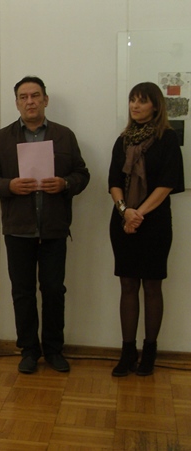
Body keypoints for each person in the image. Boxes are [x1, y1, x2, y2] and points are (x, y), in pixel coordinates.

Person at [0, 76, 89, 375]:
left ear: (45, 100)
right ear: (16, 103)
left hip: (54, 228)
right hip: (18, 229)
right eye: (24, 97)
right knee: (22, 292)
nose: (30, 101)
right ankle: (28, 350)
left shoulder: (64, 136)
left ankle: (53, 350)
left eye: (35, 95)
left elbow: (82, 174)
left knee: (54, 291)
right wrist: (9, 186)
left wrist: (65, 184)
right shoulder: (3, 138)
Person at [108, 82, 184, 377]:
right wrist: (125, 211)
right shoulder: (123, 140)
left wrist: (138, 213)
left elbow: (167, 183)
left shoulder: (167, 138)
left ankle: (149, 352)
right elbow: (114, 182)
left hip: (154, 222)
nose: (135, 106)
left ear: (155, 106)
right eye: (132, 100)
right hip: (123, 220)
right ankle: (127, 352)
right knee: (127, 285)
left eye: (141, 101)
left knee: (152, 286)